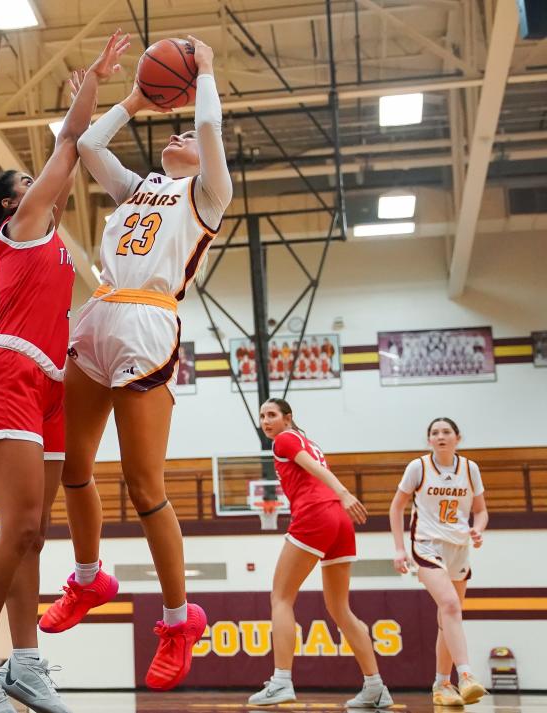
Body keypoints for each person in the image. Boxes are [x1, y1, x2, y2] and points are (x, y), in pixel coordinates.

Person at [39, 36, 232, 691]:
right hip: (97, 311)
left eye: (185, 130)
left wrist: (204, 72)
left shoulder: (208, 193)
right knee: (72, 467)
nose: (177, 135)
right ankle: (90, 580)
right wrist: (131, 97)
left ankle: (180, 620)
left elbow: (208, 125)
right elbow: (89, 145)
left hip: (149, 320)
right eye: (171, 128)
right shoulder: (137, 189)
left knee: (144, 486)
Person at [0, 31, 130, 713]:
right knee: (17, 524)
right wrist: (100, 83)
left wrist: (101, 100)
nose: (37, 181)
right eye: (22, 182)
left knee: (34, 531)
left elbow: (73, 150)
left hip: (51, 383)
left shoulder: (46, 230)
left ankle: (25, 663)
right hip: (10, 377)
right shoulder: (21, 225)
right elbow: (72, 141)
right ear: (6, 205)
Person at [247, 398, 393, 708]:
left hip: (316, 514)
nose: (266, 420)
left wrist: (343, 492)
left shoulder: (285, 439)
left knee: (281, 598)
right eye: (262, 415)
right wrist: (339, 499)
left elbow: (313, 470)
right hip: (339, 521)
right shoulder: (310, 441)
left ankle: (281, 681)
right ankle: (376, 687)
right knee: (340, 608)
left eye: (272, 414)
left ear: (288, 418)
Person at [389, 417, 489, 706]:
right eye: (435, 432)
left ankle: (442, 684)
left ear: (457, 437)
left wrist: (478, 529)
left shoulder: (470, 469)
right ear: (429, 439)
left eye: (446, 432)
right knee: (450, 605)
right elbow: (396, 508)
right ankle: (466, 675)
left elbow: (481, 511)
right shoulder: (418, 467)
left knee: (449, 618)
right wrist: (399, 549)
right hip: (426, 545)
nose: (440, 436)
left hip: (458, 547)